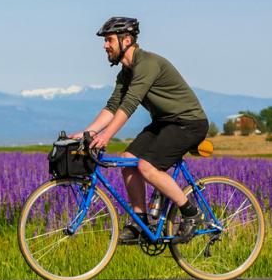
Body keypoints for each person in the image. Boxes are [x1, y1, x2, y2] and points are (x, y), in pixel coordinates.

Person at [80, 16, 210, 243]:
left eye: (109, 40)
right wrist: (87, 132)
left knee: (146, 166)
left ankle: (192, 214)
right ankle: (140, 222)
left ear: (126, 40)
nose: (105, 45)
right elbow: (113, 106)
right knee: (128, 160)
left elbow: (129, 104)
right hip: (164, 123)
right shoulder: (125, 73)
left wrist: (106, 136)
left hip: (188, 123)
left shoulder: (147, 64)